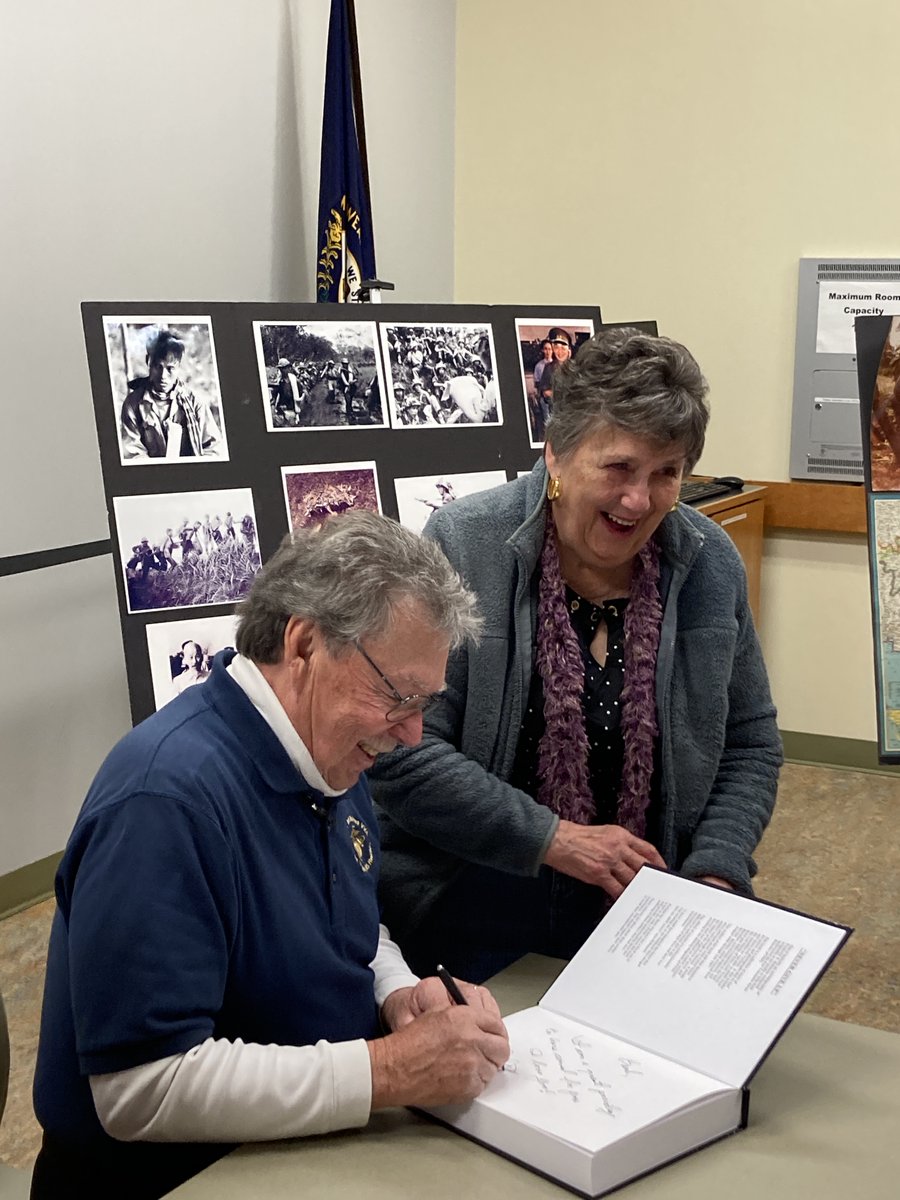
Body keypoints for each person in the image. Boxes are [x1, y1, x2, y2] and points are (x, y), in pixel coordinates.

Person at [31, 512, 509, 1199]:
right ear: (305, 644)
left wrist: (397, 992)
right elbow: (140, 1089)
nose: (412, 735)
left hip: (297, 1155)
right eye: (398, 696)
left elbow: (349, 922)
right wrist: (387, 1072)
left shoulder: (329, 753)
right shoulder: (164, 799)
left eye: (425, 703)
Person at [370, 327, 783, 983]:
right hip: (474, 903)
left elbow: (748, 739)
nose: (639, 500)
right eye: (618, 467)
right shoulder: (464, 543)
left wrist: (716, 869)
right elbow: (400, 751)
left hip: (652, 908)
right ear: (556, 454)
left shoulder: (708, 564)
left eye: (666, 473)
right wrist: (555, 839)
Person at [120, 328, 223, 460]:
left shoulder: (194, 402)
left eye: (170, 369)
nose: (163, 376)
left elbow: (214, 449)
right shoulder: (133, 404)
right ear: (148, 362)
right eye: (158, 367)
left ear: (179, 366)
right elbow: (131, 453)